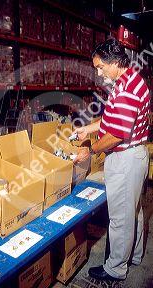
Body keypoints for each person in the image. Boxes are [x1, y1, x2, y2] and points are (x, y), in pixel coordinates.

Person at [73, 38, 150, 281]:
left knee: (120, 219)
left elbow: (116, 135)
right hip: (135, 154)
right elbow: (112, 121)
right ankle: (134, 256)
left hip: (125, 158)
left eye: (100, 67)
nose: (98, 72)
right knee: (134, 212)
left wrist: (91, 150)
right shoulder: (128, 81)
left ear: (115, 62)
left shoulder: (126, 90)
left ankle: (115, 269)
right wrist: (89, 129)